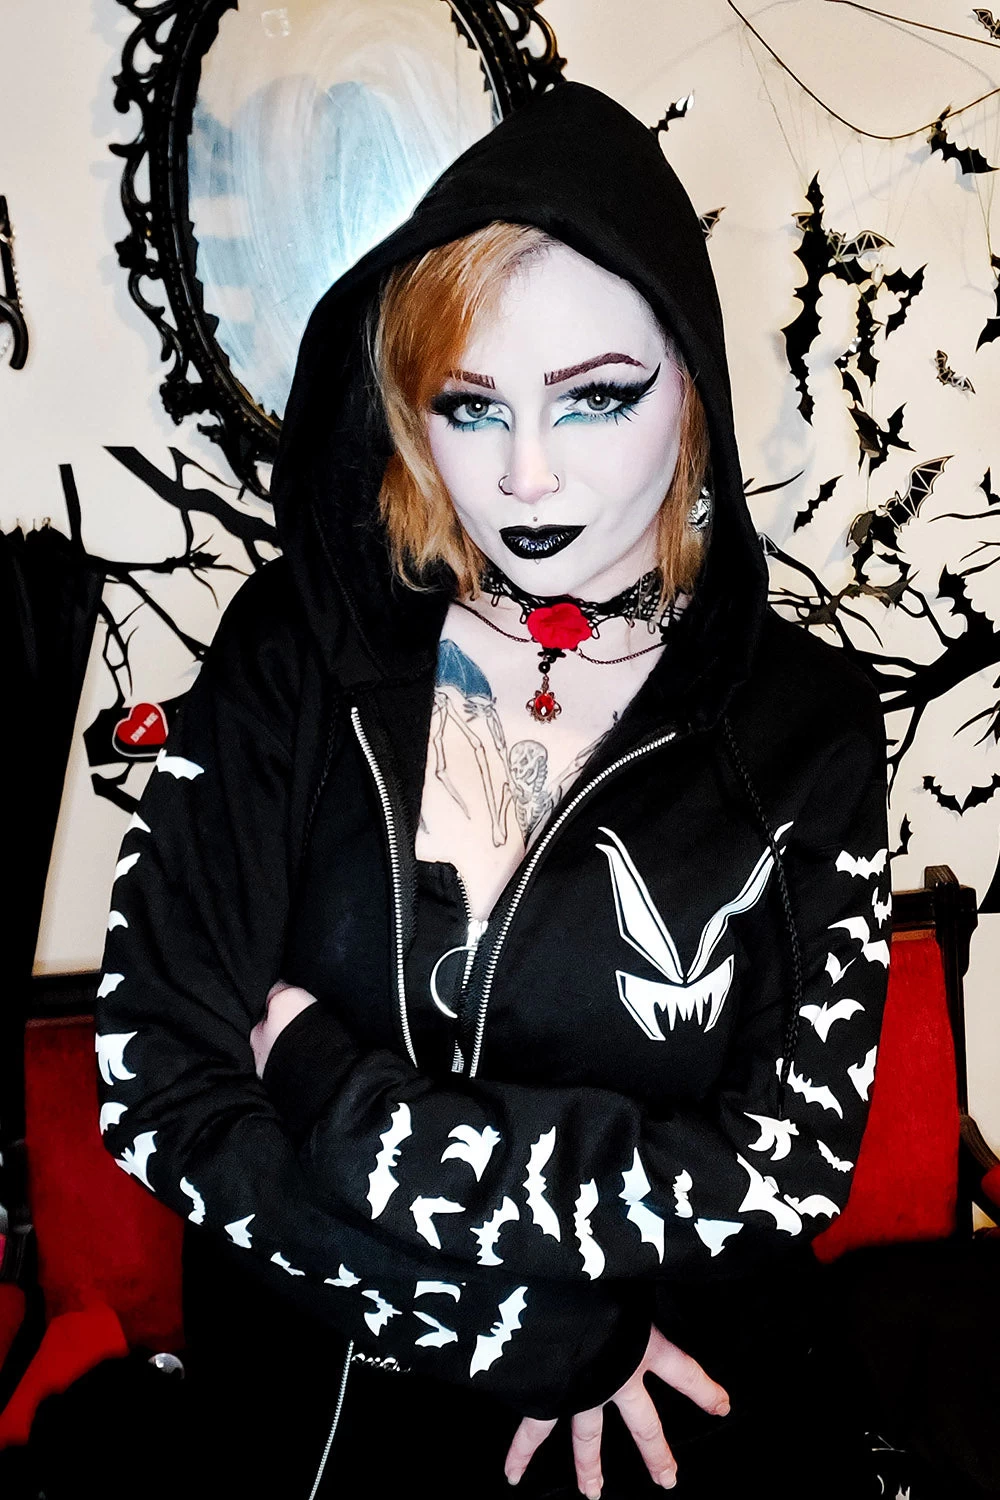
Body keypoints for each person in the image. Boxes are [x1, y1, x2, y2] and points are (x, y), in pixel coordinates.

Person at [94, 82, 890, 1498]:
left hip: (665, 1434)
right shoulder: (298, 648)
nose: (527, 475)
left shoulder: (804, 725)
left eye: (597, 397)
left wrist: (336, 1094)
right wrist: (507, 1325)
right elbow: (153, 1072)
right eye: (471, 407)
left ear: (691, 381)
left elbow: (784, 1165)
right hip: (327, 1436)